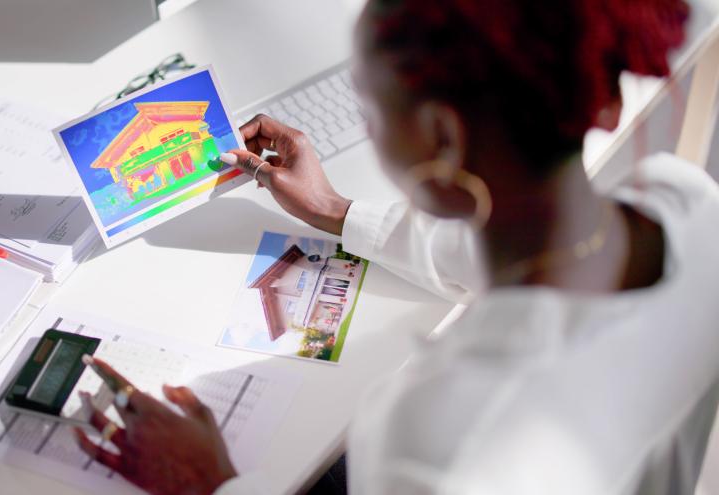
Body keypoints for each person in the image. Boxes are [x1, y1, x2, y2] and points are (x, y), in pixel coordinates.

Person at [74, 0, 719, 493]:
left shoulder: (436, 431)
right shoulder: (687, 203)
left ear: (438, 136)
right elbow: (503, 252)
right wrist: (333, 209)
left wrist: (215, 482)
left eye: (368, 103)